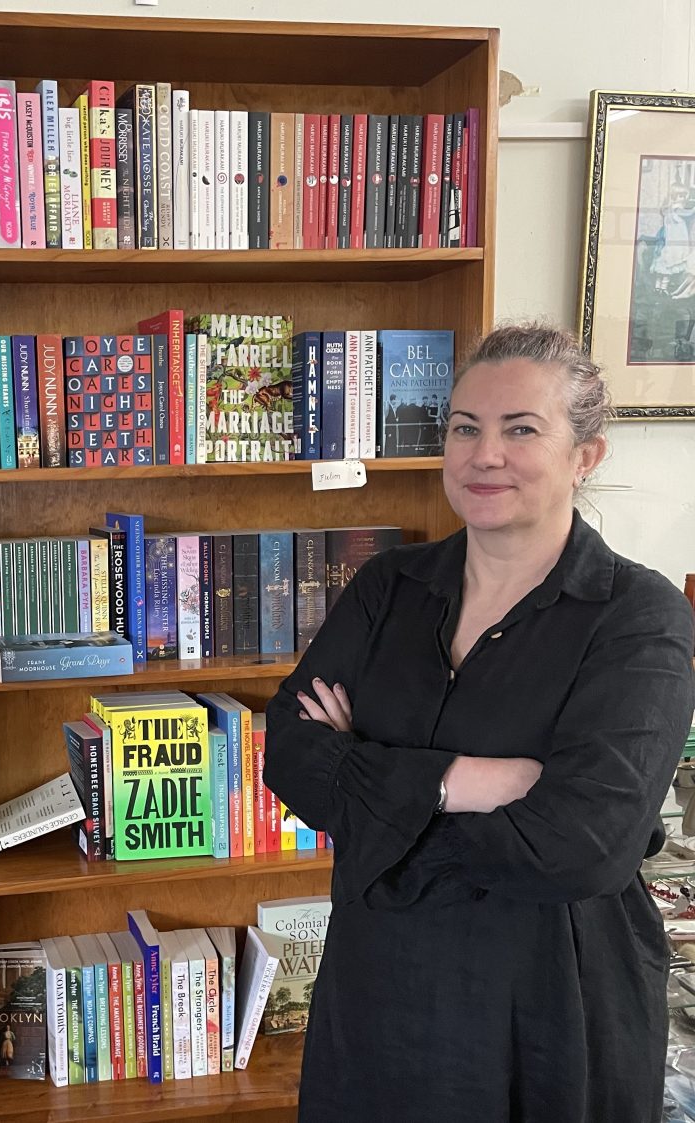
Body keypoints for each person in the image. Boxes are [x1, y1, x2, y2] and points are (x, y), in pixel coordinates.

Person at [264, 322, 695, 1122]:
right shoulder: (388, 586)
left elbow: (583, 845)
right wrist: (465, 781)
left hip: (551, 1008)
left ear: (585, 457)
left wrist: (371, 786)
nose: (483, 453)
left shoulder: (639, 617)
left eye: (520, 429)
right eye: (464, 427)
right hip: (377, 994)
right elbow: (289, 754)